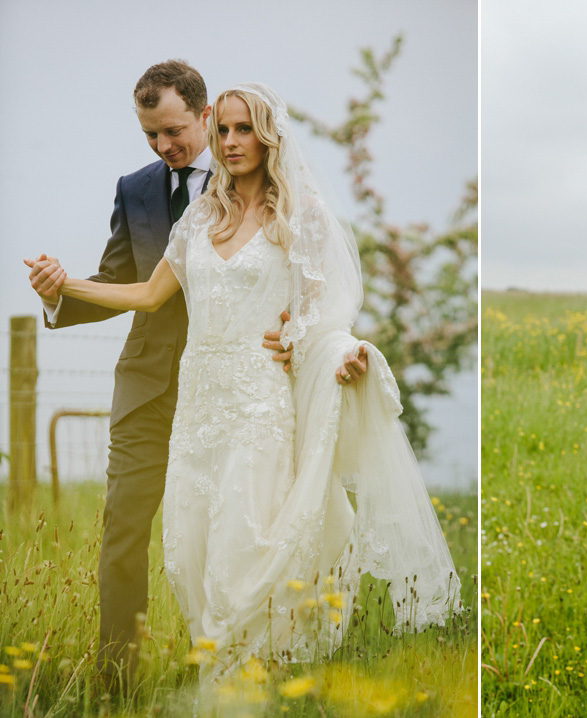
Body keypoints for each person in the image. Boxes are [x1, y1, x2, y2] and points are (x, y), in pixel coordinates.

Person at [28, 83, 460, 678]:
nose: (230, 143)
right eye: (225, 131)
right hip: (194, 410)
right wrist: (63, 285)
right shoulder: (203, 214)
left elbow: (317, 321)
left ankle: (243, 688)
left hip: (257, 405)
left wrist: (336, 354)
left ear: (267, 135)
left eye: (241, 130)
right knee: (188, 557)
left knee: (243, 550)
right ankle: (202, 677)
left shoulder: (301, 217)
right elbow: (148, 294)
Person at [25, 60, 298, 691]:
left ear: (206, 116)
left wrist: (293, 328)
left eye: (173, 131)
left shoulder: (257, 179)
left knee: (233, 535)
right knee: (124, 527)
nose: (163, 146)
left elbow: (296, 275)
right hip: (148, 387)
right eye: (150, 135)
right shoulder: (136, 187)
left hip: (235, 390)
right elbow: (127, 283)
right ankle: (117, 680)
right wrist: (58, 291)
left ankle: (239, 670)